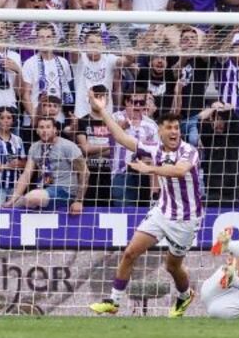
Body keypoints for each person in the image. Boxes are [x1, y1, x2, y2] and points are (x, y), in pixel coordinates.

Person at [87, 90, 203, 317]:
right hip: (162, 211)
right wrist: (102, 111)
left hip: (185, 219)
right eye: (169, 128)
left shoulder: (189, 151)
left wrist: (150, 169)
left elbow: (179, 171)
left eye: (176, 128)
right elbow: (121, 137)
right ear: (159, 131)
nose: (174, 132)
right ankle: (113, 301)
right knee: (130, 252)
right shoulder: (154, 149)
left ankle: (185, 294)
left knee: (172, 266)